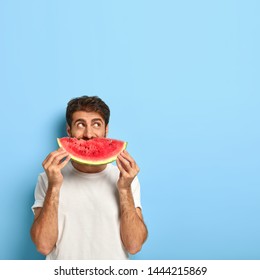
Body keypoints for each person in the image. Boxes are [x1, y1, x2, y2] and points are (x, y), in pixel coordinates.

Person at [30, 96, 148, 260]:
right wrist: (54, 187)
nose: (88, 134)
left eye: (96, 124)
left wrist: (124, 188)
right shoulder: (47, 178)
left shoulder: (126, 178)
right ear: (69, 131)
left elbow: (134, 245)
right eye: (80, 124)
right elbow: (43, 246)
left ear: (106, 130)